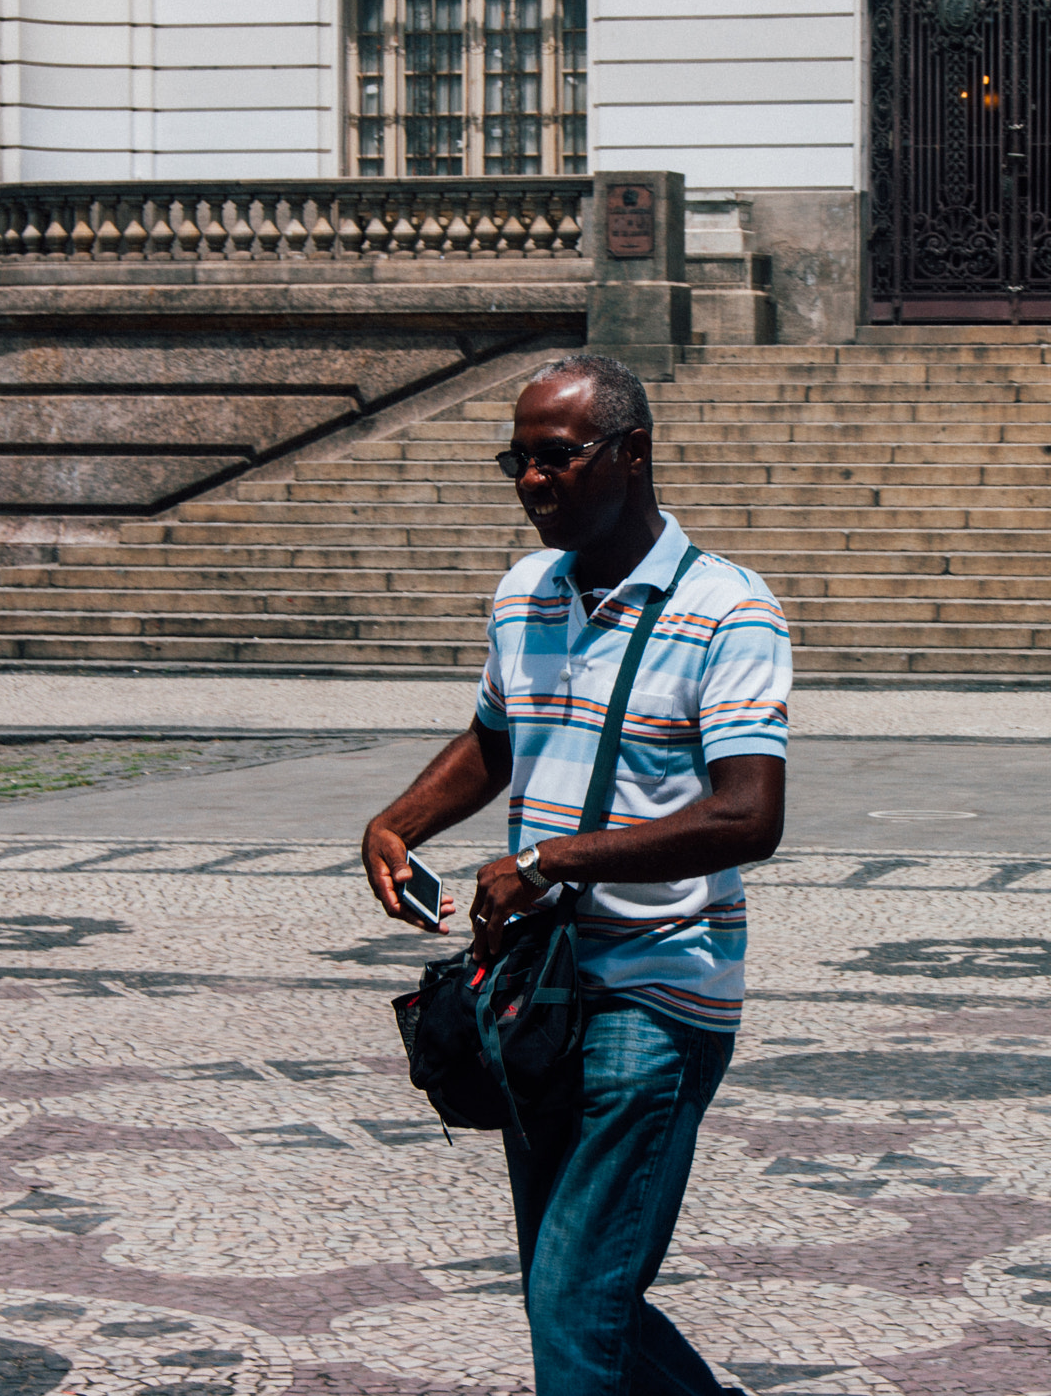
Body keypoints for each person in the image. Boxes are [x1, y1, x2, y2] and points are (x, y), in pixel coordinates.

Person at [360, 352, 790, 1396]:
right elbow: (496, 737)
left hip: (657, 988)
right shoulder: (523, 592)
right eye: (518, 459)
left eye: (556, 456)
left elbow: (748, 814)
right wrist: (397, 822)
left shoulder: (730, 609)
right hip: (539, 998)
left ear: (631, 453)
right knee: (577, 1291)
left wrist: (549, 859)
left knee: (571, 1302)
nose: (531, 480)